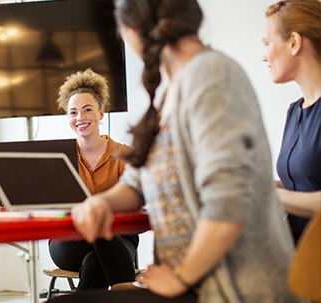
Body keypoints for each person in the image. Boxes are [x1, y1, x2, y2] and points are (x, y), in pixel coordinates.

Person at [50, 0, 302, 302]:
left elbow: (229, 202)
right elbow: (136, 183)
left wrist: (180, 278)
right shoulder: (171, 92)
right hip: (189, 283)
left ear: (135, 29)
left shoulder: (213, 76)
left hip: (229, 288)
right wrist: (102, 203)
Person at [48, 68, 138, 291]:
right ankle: (126, 293)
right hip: (69, 240)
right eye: (73, 112)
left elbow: (139, 200)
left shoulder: (124, 155)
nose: (80, 118)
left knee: (95, 260)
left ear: (101, 113)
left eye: (87, 110)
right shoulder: (58, 158)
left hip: (118, 238)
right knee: (101, 253)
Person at [262, 0, 321, 244]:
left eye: (267, 44)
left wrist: (265, 194)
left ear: (295, 43)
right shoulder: (294, 111)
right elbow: (299, 187)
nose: (263, 56)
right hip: (300, 258)